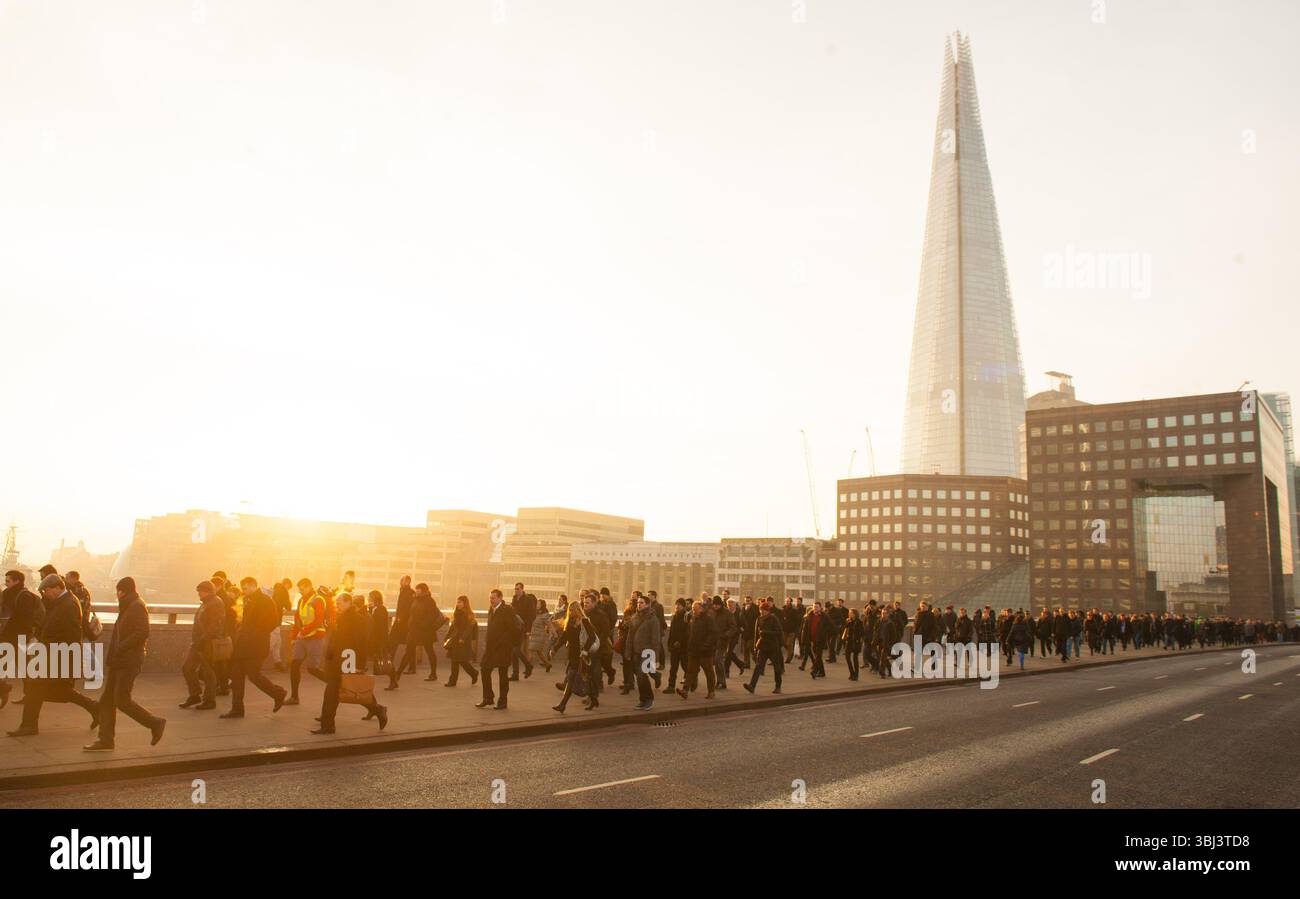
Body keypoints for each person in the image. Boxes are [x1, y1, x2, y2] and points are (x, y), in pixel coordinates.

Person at [7, 574, 99, 736]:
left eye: (47, 591)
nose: (45, 594)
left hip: (57, 656)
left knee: (35, 687)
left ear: (58, 587)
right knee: (60, 691)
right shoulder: (61, 602)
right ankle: (95, 708)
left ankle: (29, 725)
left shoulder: (70, 604)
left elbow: (71, 635)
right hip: (52, 655)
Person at [83, 578, 166, 751]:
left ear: (122, 591)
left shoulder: (136, 606)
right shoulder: (129, 604)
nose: (117, 594)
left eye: (118, 591)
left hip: (128, 660)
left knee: (121, 700)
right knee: (107, 700)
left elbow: (143, 632)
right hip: (119, 659)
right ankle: (106, 740)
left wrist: (122, 646)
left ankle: (155, 723)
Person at [312, 593, 387, 734]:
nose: (337, 605)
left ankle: (377, 709)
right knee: (337, 691)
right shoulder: (341, 617)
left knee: (351, 689)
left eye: (339, 603)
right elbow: (335, 639)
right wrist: (329, 654)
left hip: (348, 659)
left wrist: (358, 664)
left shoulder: (357, 619)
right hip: (337, 660)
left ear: (348, 602)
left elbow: (361, 643)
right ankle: (328, 724)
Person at [221, 577, 287, 718]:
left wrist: (255, 632)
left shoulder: (266, 601)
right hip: (242, 645)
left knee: (254, 675)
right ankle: (237, 709)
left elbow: (273, 622)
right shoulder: (247, 600)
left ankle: (278, 693)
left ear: (253, 586)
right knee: (236, 676)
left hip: (256, 645)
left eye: (245, 588)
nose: (243, 591)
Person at [180, 580, 225, 710]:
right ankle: (195, 695)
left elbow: (215, 625)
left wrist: (204, 639)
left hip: (207, 643)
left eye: (201, 591)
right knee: (187, 668)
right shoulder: (206, 603)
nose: (199, 593)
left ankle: (209, 700)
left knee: (208, 672)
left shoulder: (216, 603)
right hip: (198, 642)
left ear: (208, 591)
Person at [0, 570, 42, 707]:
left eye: (8, 581)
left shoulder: (24, 596)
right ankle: (7, 689)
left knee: (26, 670)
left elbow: (26, 620)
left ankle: (30, 697)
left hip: (19, 639)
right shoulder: (6, 594)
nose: (5, 583)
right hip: (8, 638)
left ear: (17, 581)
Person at [476, 589, 519, 710]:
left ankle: (502, 701)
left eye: (493, 598)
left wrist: (502, 641)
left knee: (503, 675)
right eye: (490, 598)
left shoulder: (507, 610)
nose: (491, 600)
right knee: (484, 669)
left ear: (500, 598)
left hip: (503, 648)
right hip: (491, 648)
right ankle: (488, 698)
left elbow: (512, 629)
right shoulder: (491, 609)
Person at [552, 598, 598, 713]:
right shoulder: (569, 622)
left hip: (582, 655)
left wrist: (585, 650)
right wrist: (555, 648)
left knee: (574, 678)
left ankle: (563, 704)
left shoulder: (584, 621)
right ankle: (593, 700)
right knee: (582, 678)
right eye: (570, 610)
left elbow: (592, 637)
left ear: (578, 610)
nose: (571, 612)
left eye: (573, 610)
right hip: (572, 655)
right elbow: (564, 637)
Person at [286, 578, 327, 704]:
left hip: (316, 637)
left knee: (312, 669)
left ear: (309, 586)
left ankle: (336, 683)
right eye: (299, 589)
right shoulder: (301, 600)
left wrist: (303, 632)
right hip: (302, 638)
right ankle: (294, 697)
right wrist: (294, 637)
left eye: (302, 588)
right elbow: (297, 619)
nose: (300, 591)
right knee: (294, 665)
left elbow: (319, 620)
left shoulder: (318, 600)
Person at [395, 583, 445, 683]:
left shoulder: (430, 601)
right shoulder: (416, 600)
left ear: (424, 591)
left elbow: (431, 617)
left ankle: (433, 673)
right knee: (408, 652)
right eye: (417, 590)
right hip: (413, 631)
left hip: (425, 632)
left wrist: (420, 625)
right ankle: (398, 674)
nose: (416, 591)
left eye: (418, 590)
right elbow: (412, 614)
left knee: (430, 652)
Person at [676, 599, 717, 700]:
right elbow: (690, 634)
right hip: (694, 651)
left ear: (702, 609)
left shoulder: (709, 619)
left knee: (709, 672)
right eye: (693, 609)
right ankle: (685, 690)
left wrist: (705, 646)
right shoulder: (693, 619)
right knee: (690, 672)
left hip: (705, 652)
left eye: (695, 609)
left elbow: (713, 634)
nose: (693, 611)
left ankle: (711, 692)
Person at [628, 594, 662, 711]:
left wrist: (655, 658)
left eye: (641, 602)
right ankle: (643, 700)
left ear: (648, 604)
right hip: (636, 651)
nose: (639, 604)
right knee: (639, 677)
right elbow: (630, 637)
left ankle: (649, 699)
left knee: (642, 675)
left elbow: (656, 640)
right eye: (638, 602)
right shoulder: (634, 617)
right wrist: (628, 652)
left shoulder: (653, 619)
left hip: (648, 652)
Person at [744, 600, 785, 694]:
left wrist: (766, 633)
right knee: (758, 667)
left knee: (777, 667)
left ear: (768, 610)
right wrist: (755, 647)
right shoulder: (758, 619)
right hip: (762, 647)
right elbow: (756, 635)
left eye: (764, 610)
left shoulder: (773, 619)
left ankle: (778, 686)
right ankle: (752, 686)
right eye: (760, 609)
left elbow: (778, 632)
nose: (762, 611)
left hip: (773, 647)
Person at [443, 595, 479, 687]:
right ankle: (453, 681)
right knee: (455, 661)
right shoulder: (457, 613)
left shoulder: (468, 615)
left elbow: (468, 628)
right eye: (457, 602)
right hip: (455, 640)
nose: (458, 604)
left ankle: (474, 673)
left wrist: (463, 638)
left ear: (465, 603)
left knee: (462, 661)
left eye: (460, 602)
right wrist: (447, 637)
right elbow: (452, 627)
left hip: (462, 641)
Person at [509, 584, 537, 680]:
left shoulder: (528, 599)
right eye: (515, 589)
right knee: (514, 651)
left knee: (515, 650)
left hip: (522, 628)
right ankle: (515, 674)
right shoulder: (514, 598)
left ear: (522, 589)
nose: (516, 591)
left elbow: (532, 615)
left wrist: (528, 629)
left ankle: (528, 666)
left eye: (518, 589)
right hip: (514, 628)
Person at [389, 575, 415, 673]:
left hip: (403, 623)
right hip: (402, 622)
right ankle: (412, 667)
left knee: (395, 642)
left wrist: (400, 618)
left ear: (407, 582)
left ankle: (390, 663)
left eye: (402, 580)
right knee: (408, 645)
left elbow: (407, 608)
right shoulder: (403, 591)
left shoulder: (409, 593)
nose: (400, 582)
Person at [663, 598, 689, 694]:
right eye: (676, 605)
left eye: (679, 605)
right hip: (674, 646)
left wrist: (680, 642)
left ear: (683, 606)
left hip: (683, 647)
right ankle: (671, 686)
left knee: (685, 666)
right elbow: (672, 632)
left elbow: (687, 632)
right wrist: (670, 643)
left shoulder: (686, 617)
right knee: (673, 668)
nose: (677, 607)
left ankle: (692, 681)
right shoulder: (674, 616)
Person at [270, 579, 293, 670]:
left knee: (278, 643)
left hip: (271, 621)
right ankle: (254, 663)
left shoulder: (274, 590)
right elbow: (288, 607)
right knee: (271, 644)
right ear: (287, 584)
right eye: (289, 587)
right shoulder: (283, 591)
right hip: (275, 622)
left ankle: (278, 663)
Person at [367, 590, 391, 675]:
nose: (368, 599)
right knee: (376, 654)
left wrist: (382, 639)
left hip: (380, 636)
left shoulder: (381, 609)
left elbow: (380, 625)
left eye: (370, 598)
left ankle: (383, 671)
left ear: (375, 599)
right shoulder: (375, 609)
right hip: (375, 636)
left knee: (380, 654)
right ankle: (377, 670)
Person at [527, 599, 552, 672]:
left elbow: (549, 624)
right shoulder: (535, 613)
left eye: (538, 603)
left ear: (542, 605)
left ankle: (528, 667)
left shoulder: (544, 615)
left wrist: (551, 633)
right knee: (539, 652)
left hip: (539, 635)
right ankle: (548, 664)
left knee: (530, 650)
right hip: (534, 634)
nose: (536, 605)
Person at [842, 608, 863, 680]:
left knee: (855, 658)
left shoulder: (859, 622)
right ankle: (852, 673)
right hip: (849, 641)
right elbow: (844, 628)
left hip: (856, 642)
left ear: (855, 614)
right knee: (847, 657)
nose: (849, 614)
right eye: (849, 613)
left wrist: (858, 638)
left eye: (851, 613)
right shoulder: (848, 621)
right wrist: (847, 622)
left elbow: (862, 632)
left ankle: (856, 675)